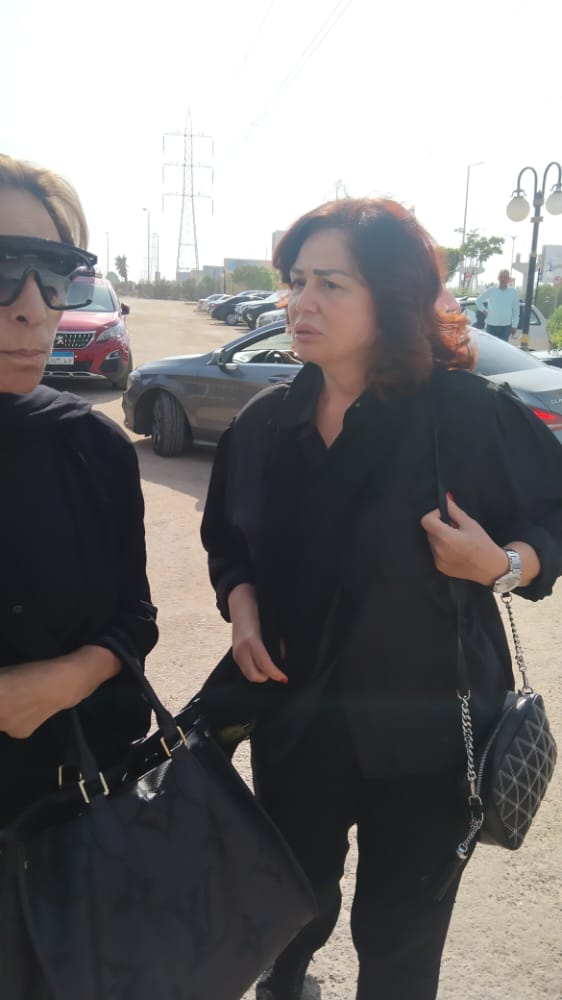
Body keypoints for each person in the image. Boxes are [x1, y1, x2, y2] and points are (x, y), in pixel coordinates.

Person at [200, 197, 562, 1000]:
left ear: (392, 299)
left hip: (432, 742)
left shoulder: (464, 416)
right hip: (295, 727)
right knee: (287, 914)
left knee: (400, 946)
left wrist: (503, 563)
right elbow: (228, 540)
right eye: (296, 280)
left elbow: (555, 510)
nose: (301, 302)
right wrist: (242, 604)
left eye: (330, 283)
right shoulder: (264, 425)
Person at [0, 152, 158, 831]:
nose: (33, 310)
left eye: (55, 275)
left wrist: (68, 679)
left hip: (76, 814)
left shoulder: (95, 448)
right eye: (3, 270)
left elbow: (135, 617)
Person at [475, 268, 520, 340]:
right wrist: (484, 311)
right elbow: (478, 301)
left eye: (505, 277)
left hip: (506, 327)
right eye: (501, 277)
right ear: (498, 278)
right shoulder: (491, 290)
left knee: (503, 347)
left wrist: (514, 326)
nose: (503, 279)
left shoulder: (513, 292)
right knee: (491, 347)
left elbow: (516, 310)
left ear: (508, 279)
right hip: (491, 325)